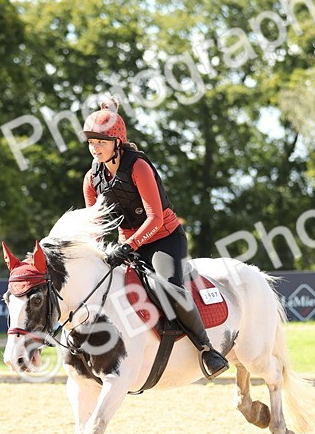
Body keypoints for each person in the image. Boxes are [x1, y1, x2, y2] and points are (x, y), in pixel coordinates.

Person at [81, 98, 229, 379]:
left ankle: (207, 349)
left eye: (101, 141)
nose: (95, 147)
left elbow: (155, 218)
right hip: (128, 246)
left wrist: (127, 246)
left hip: (163, 239)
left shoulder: (138, 167)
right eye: (91, 142)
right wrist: (98, 252)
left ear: (117, 142)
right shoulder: (91, 179)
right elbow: (96, 225)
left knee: (168, 288)